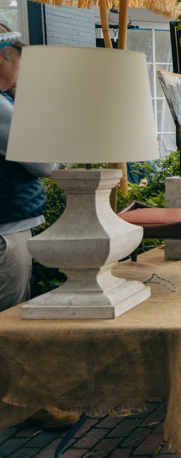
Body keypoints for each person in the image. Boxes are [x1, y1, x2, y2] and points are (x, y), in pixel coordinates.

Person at [0, 25, 80, 429]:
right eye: (20, 58)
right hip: (6, 230)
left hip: (10, 225)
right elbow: (44, 162)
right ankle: (19, 407)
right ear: (3, 57)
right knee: (8, 322)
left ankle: (23, 402)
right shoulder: (1, 107)